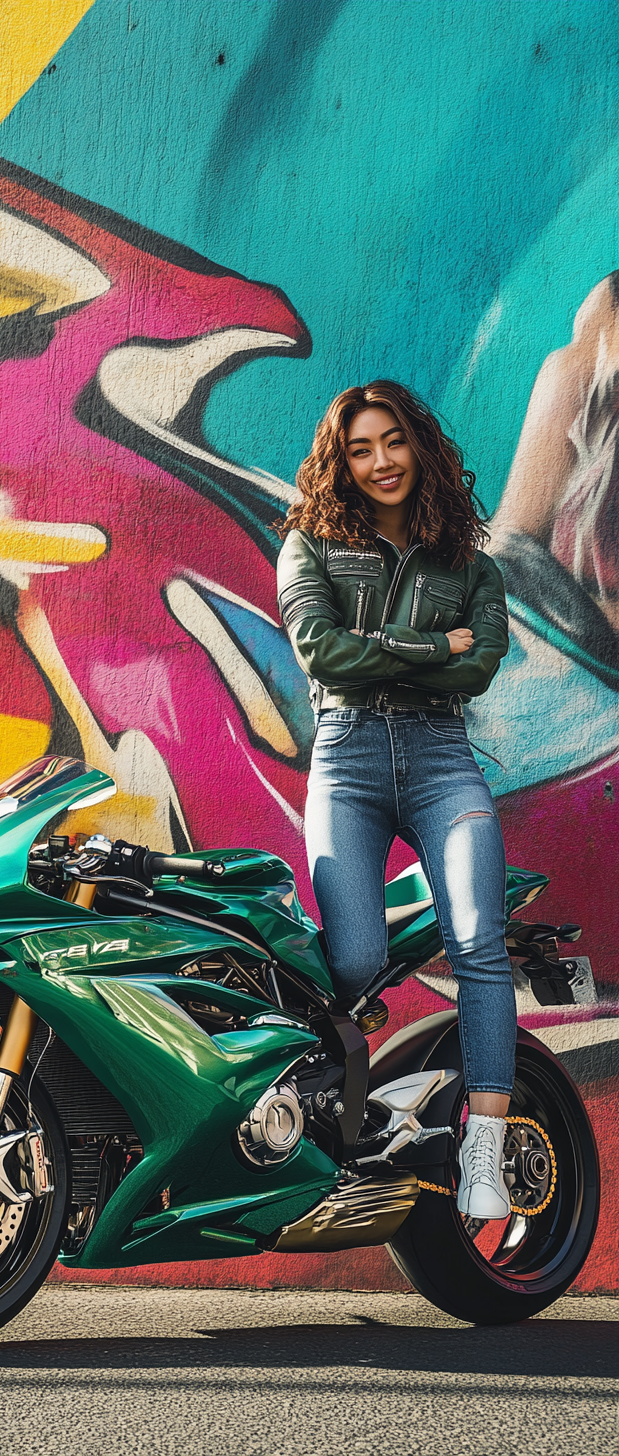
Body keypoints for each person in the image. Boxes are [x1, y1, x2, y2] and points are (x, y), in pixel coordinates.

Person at [276, 380, 514, 1220]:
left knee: (481, 941)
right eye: (359, 449)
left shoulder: (471, 569)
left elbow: (475, 668)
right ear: (338, 464)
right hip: (347, 764)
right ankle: (335, 1121)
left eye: (393, 442)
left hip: (444, 760)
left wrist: (385, 649)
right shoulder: (309, 546)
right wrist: (425, 644)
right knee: (351, 963)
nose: (380, 462)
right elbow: (323, 653)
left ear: (422, 446)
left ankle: (485, 1153)